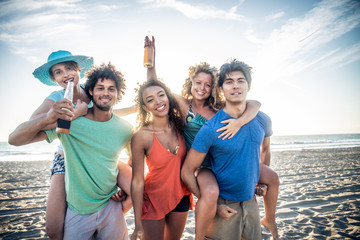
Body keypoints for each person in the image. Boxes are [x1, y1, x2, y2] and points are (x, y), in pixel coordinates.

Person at [145, 36, 275, 240]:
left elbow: (253, 104)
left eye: (207, 84)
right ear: (190, 84)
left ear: (214, 87)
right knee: (210, 194)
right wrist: (151, 61)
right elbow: (156, 85)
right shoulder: (184, 106)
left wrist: (241, 122)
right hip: (199, 166)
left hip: (219, 164)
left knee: (264, 178)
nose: (202, 88)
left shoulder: (218, 111)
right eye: (198, 83)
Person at [18, 50, 134, 239]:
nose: (66, 74)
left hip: (97, 153)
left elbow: (107, 116)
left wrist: (136, 108)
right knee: (54, 228)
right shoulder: (56, 98)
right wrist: (73, 114)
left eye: (70, 68)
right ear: (54, 78)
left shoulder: (92, 90)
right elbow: (34, 126)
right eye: (58, 72)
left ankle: (109, 220)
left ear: (79, 70)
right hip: (67, 157)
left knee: (135, 187)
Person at [181, 59, 277, 239]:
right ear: (221, 89)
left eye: (241, 81)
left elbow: (265, 150)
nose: (235, 86)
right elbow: (187, 171)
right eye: (229, 82)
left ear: (248, 85)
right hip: (223, 206)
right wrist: (213, 205)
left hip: (251, 204)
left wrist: (260, 183)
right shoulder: (210, 129)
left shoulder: (262, 119)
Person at [130, 78, 195, 240]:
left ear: (168, 97)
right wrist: (137, 222)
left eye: (161, 95)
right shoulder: (141, 136)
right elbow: (137, 181)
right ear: (145, 107)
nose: (158, 101)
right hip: (153, 199)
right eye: (150, 100)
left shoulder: (182, 126)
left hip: (181, 196)